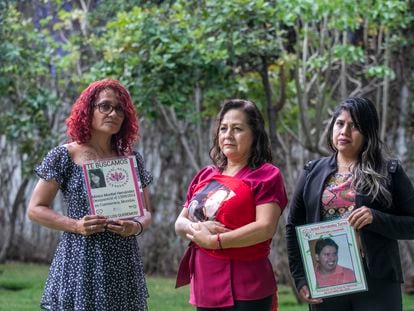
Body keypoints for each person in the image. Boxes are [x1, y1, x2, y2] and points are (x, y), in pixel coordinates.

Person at [27, 79, 153, 311]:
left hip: (122, 262)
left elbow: (146, 212)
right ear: (88, 110)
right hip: (80, 260)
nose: (113, 113)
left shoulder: (132, 159)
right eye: (105, 106)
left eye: (119, 109)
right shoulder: (64, 156)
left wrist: (135, 227)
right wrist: (75, 225)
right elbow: (35, 209)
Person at [286, 97, 414, 311]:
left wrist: (376, 218)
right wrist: (300, 278)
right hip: (326, 282)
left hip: (377, 281)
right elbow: (293, 227)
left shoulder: (389, 171)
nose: (344, 131)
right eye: (340, 123)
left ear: (368, 132)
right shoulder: (311, 172)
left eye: (354, 126)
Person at [175, 99, 288, 311]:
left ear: (254, 134)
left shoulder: (266, 175)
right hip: (205, 282)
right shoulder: (207, 175)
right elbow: (180, 223)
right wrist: (198, 229)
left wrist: (215, 241)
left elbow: (265, 228)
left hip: (247, 285)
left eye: (237, 129)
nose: (228, 135)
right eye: (223, 128)